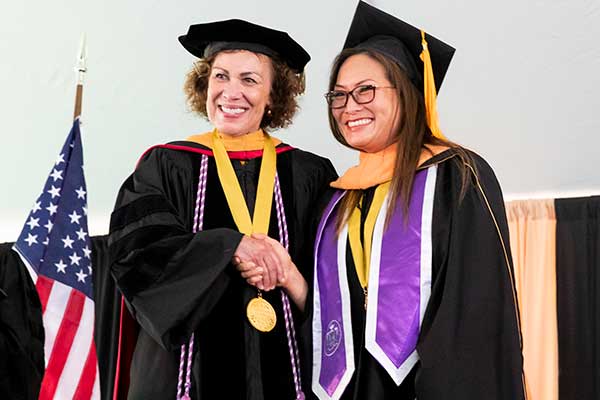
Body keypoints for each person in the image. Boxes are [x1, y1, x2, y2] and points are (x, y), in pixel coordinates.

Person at [237, 2, 526, 399]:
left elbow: (473, 313)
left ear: (408, 92)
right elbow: (334, 321)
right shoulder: (336, 200)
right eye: (338, 96)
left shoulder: (456, 177)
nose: (349, 106)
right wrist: (289, 276)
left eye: (365, 90)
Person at [108, 19, 336, 400]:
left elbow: (337, 283)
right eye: (220, 76)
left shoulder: (309, 174)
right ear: (205, 85)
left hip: (288, 374)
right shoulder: (165, 165)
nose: (231, 92)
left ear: (273, 96)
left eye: (249, 80)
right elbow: (137, 257)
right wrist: (231, 246)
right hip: (185, 380)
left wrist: (288, 275)